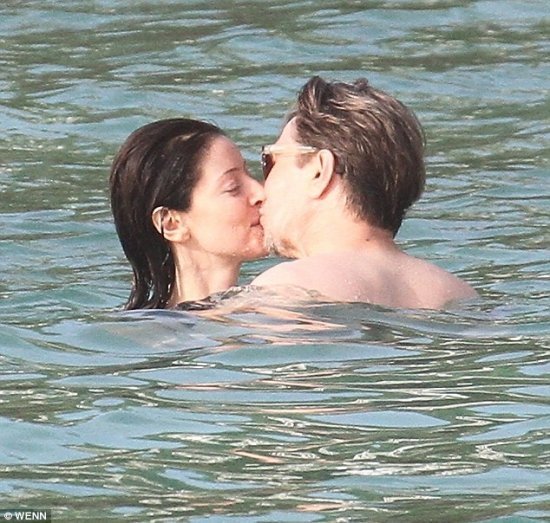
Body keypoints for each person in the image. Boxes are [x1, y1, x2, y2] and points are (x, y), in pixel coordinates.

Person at [252, 76, 477, 309]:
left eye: (270, 161)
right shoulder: (461, 294)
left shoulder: (288, 287)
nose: (259, 189)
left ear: (319, 171)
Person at [110, 118, 266, 309]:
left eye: (249, 173)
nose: (261, 192)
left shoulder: (266, 304)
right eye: (233, 187)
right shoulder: (153, 330)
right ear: (171, 224)